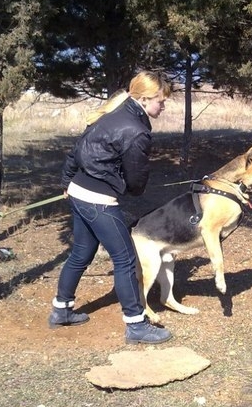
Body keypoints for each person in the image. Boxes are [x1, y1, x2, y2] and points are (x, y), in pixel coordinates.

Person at [49, 71, 173, 345]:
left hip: (79, 192)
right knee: (126, 259)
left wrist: (67, 181)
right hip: (98, 201)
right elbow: (137, 179)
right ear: (144, 99)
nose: (163, 106)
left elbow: (77, 150)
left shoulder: (113, 115)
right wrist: (132, 189)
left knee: (82, 252)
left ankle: (61, 310)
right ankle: (136, 325)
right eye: (161, 101)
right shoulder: (136, 130)